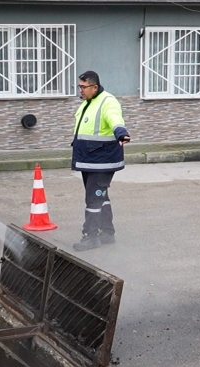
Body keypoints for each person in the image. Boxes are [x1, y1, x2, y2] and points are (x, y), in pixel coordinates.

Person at [70, 70, 130, 251]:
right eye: (79, 86)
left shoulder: (107, 101)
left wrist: (121, 132)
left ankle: (91, 236)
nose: (80, 90)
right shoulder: (88, 103)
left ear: (94, 87)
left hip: (102, 162)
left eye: (83, 87)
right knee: (100, 196)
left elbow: (115, 119)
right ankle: (107, 232)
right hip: (90, 160)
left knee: (93, 198)